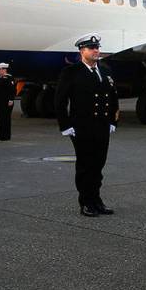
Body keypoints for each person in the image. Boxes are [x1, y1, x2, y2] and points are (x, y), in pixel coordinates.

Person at [55, 34, 119, 217]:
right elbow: (60, 101)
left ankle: (97, 200)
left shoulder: (105, 70)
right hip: (82, 127)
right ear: (82, 51)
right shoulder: (71, 72)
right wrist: (66, 126)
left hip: (102, 126)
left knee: (98, 165)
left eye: (97, 47)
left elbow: (113, 96)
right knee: (85, 166)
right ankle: (86, 202)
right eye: (92, 48)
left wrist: (113, 121)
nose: (96, 51)